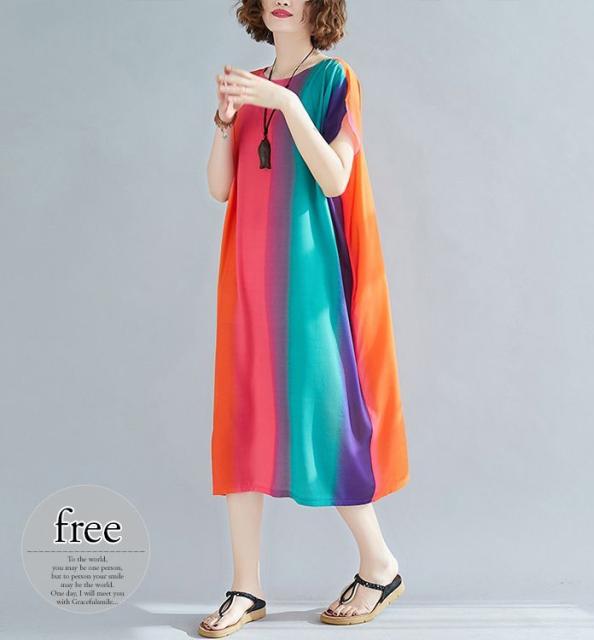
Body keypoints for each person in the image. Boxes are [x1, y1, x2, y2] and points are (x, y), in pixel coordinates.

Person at [200, 1, 410, 636]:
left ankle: (379, 564)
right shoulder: (250, 84)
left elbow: (336, 176)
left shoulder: (334, 79)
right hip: (249, 276)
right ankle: (246, 587)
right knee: (243, 417)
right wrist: (225, 120)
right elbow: (220, 188)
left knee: (323, 411)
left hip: (309, 279)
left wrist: (287, 103)